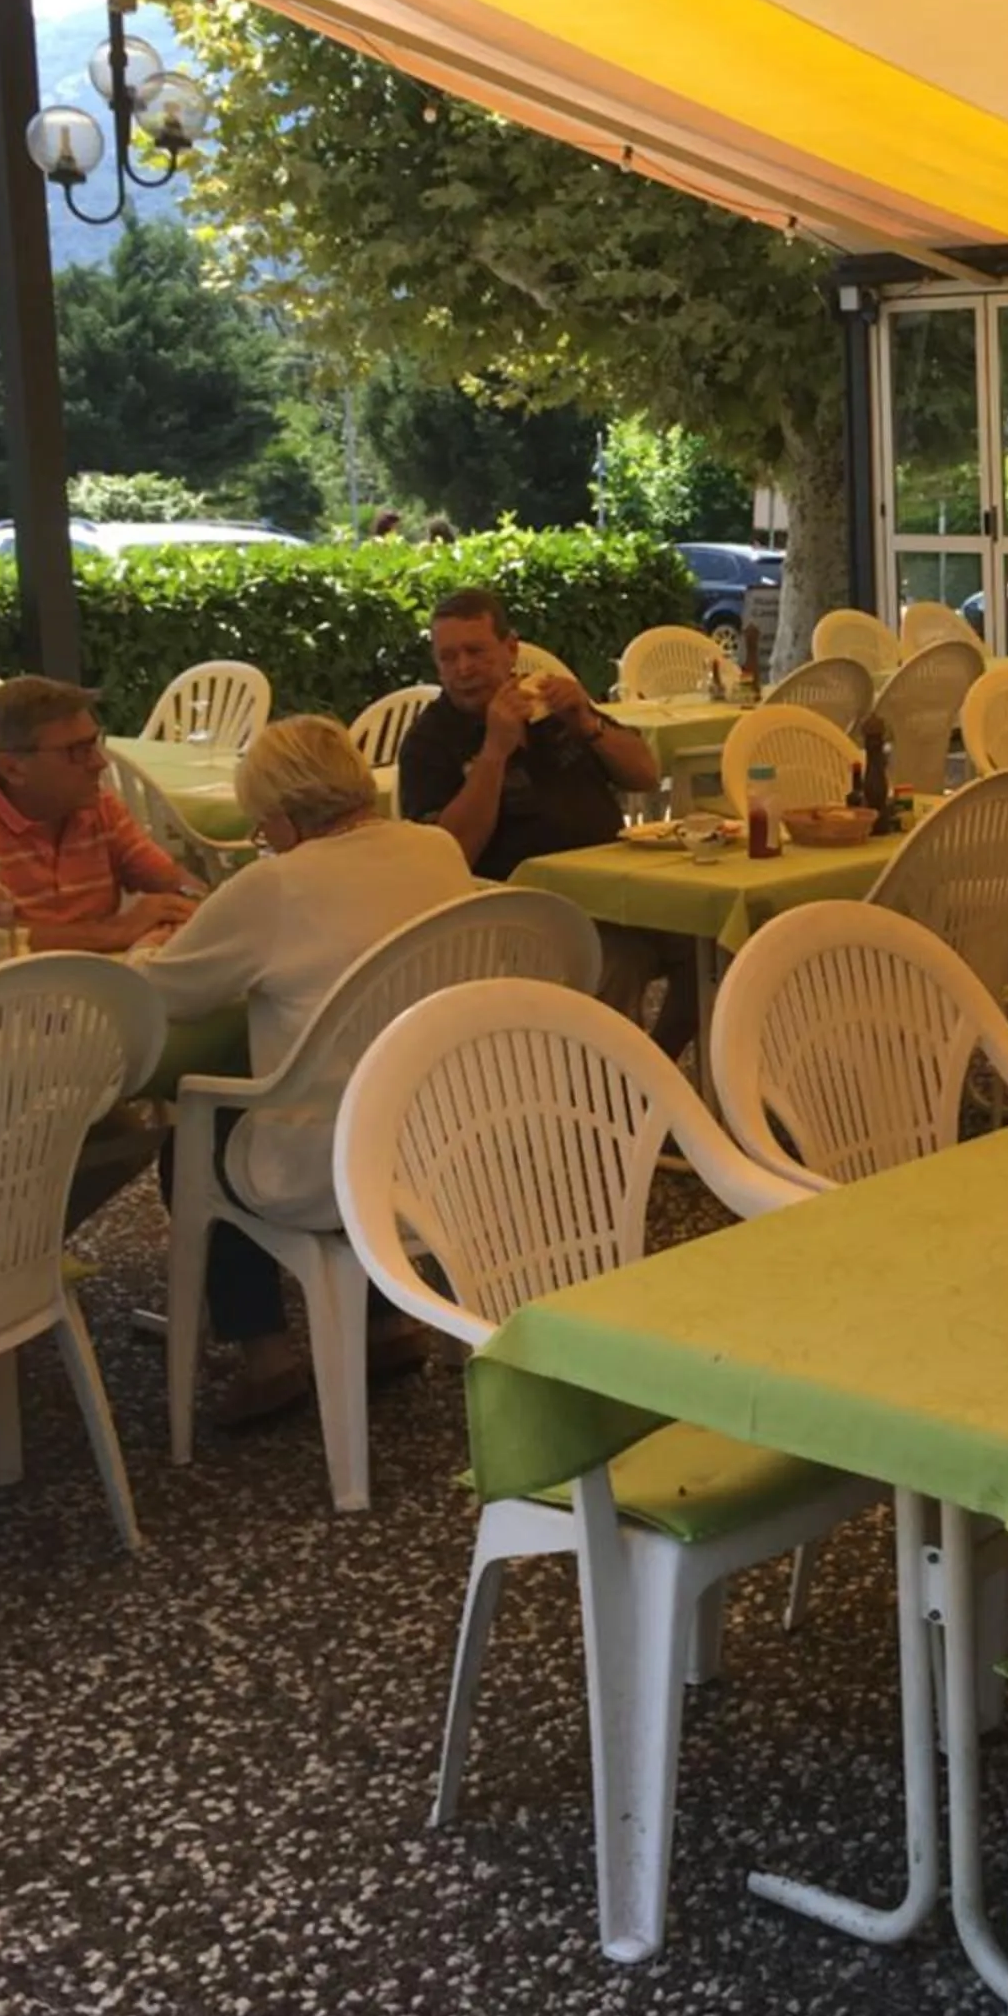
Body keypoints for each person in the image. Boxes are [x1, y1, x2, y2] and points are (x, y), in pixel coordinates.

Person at [143, 714, 472, 1425]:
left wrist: (143, 942)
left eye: (262, 828)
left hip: (324, 1166)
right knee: (359, 1089)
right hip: (441, 1143)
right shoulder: (437, 847)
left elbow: (168, 993)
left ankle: (266, 1356)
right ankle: (389, 1325)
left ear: (285, 821)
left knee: (195, 1136)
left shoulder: (277, 886)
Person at [397, 586, 660, 877]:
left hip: (610, 878)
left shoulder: (547, 700)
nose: (463, 668)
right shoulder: (429, 741)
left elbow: (646, 775)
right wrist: (494, 753)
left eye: (475, 651)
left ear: (510, 649)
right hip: (520, 904)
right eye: (448, 657)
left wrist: (587, 723)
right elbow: (448, 855)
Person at [0, 675, 199, 950]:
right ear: (12, 769)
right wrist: (114, 933)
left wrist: (188, 901)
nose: (100, 763)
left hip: (95, 985)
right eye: (78, 751)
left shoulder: (100, 809)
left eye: (95, 743)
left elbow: (171, 880)